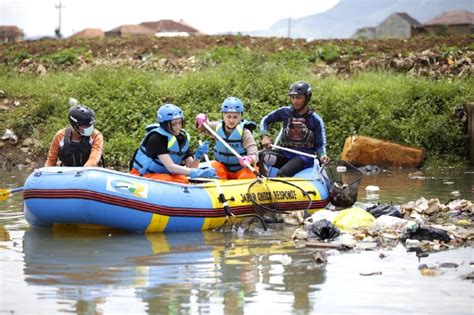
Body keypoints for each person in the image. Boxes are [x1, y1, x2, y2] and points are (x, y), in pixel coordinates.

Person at [130, 103, 216, 184]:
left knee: (183, 180)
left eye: (179, 123)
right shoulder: (156, 138)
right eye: (174, 124)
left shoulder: (182, 138)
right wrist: (199, 173)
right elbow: (171, 167)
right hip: (144, 175)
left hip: (165, 174)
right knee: (170, 181)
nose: (178, 127)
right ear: (164, 124)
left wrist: (198, 157)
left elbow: (191, 167)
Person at [259, 80, 329, 177]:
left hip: (304, 157)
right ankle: (262, 180)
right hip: (285, 153)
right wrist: (264, 136)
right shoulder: (285, 112)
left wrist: (322, 155)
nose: (295, 101)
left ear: (307, 98)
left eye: (298, 98)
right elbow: (265, 120)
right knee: (261, 156)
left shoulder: (316, 120)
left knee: (283, 173)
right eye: (293, 98)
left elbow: (320, 144)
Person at [195, 96, 259, 180]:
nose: (231, 120)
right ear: (223, 115)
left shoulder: (245, 132)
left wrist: (250, 159)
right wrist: (200, 120)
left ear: (241, 116)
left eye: (235, 117)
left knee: (248, 175)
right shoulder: (216, 127)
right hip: (223, 168)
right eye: (228, 116)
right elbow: (203, 127)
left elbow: (254, 153)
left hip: (241, 169)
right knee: (214, 168)